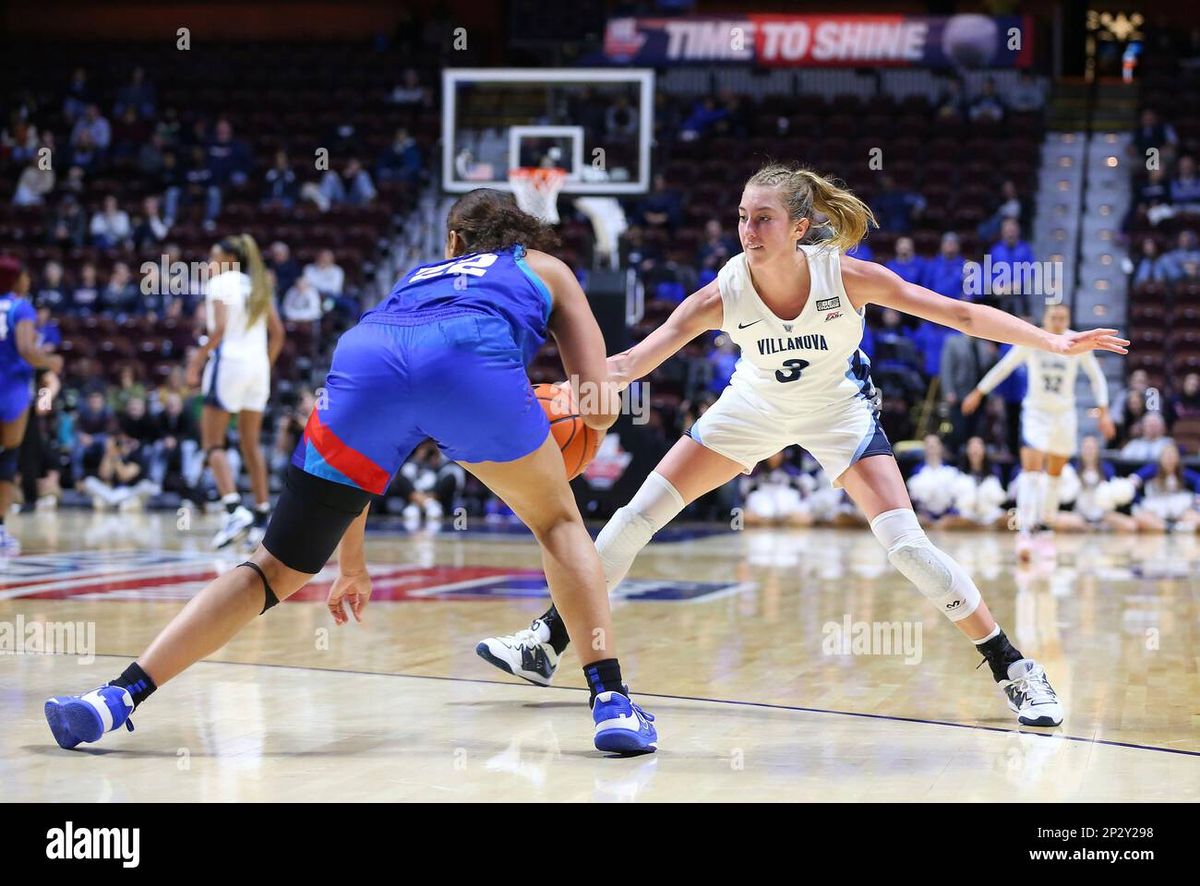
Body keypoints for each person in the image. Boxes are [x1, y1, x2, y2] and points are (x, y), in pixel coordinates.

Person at [479, 163, 1129, 727]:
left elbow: (957, 312)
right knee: (635, 516)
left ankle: (1014, 667)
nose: (747, 231)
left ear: (799, 226)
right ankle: (548, 639)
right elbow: (632, 362)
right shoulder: (724, 291)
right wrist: (562, 389)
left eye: (762, 218)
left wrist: (1053, 342)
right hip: (752, 408)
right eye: (741, 218)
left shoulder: (844, 277)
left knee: (906, 547)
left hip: (838, 413)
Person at [44, 189, 658, 756]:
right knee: (556, 522)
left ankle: (114, 696)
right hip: (468, 361)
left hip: (367, 354)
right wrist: (582, 431)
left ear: (452, 242)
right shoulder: (544, 267)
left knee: (271, 569)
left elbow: (369, 460)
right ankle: (610, 701)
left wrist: (352, 564)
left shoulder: (415, 278)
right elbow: (599, 400)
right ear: (520, 236)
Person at [961, 302, 1114, 560]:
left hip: (1064, 414)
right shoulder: (1033, 339)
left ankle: (1045, 529)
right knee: (1031, 473)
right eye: (1053, 316)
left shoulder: (1076, 341)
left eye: (1062, 317)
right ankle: (1024, 530)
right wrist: (979, 391)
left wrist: (1104, 411)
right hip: (1036, 413)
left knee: (1055, 474)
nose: (1057, 321)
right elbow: (1005, 366)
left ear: (1068, 318)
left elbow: (1096, 377)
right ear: (1045, 317)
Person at [186, 235, 284, 550]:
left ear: (229, 258)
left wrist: (196, 363)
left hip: (228, 364)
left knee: (212, 443)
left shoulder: (221, 283)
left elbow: (219, 330)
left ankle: (233, 510)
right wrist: (264, 366)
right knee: (250, 445)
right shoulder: (257, 284)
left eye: (213, 257)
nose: (210, 263)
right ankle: (261, 515)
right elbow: (278, 334)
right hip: (257, 369)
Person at [0, 258, 64, 553]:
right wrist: (49, 363)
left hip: (17, 391)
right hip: (12, 392)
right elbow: (31, 355)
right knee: (9, 458)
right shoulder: (20, 309)